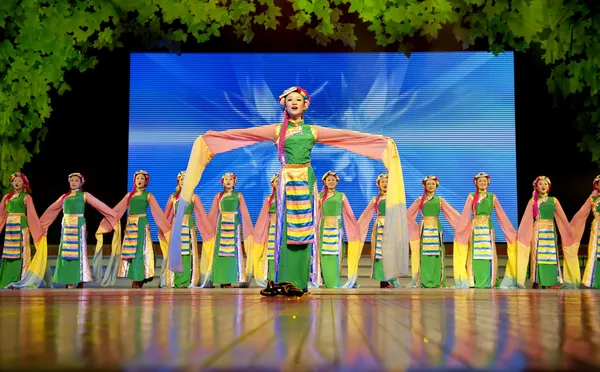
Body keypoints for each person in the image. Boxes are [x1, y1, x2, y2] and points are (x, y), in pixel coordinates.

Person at [169, 86, 409, 294]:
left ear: (305, 105)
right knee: (285, 229)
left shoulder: (313, 131)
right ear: (284, 104)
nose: (294, 103)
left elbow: (346, 137)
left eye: (298, 100)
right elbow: (243, 135)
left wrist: (380, 143)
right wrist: (211, 140)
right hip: (286, 181)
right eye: (290, 99)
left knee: (304, 229)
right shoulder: (276, 130)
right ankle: (285, 279)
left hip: (306, 180)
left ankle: (301, 280)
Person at [40, 173, 118, 288]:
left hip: (79, 225)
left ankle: (80, 278)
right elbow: (51, 211)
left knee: (79, 252)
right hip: (66, 226)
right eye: (72, 180)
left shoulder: (84, 195)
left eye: (77, 180)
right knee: (66, 253)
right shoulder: (64, 197)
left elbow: (100, 205)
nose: (74, 182)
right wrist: (40, 224)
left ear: (81, 183)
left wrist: (113, 215)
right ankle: (69, 279)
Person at [95, 170, 171, 288]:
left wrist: (166, 228)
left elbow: (158, 213)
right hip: (131, 225)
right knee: (132, 253)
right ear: (134, 181)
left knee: (140, 251)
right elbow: (117, 211)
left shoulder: (148, 195)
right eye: (137, 178)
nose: (139, 180)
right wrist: (107, 222)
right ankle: (137, 276)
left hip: (141, 224)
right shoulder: (129, 196)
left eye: (142, 179)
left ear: (146, 182)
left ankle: (138, 278)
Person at [453, 172, 517, 288]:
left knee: (488, 254)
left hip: (488, 228)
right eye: (480, 181)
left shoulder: (492, 197)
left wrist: (510, 230)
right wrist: (462, 229)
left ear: (488, 182)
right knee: (474, 254)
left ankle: (489, 281)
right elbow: (466, 213)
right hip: (475, 227)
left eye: (484, 181)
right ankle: (474, 280)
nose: (482, 183)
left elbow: (501, 214)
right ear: (476, 183)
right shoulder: (472, 196)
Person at [515, 176, 580, 288]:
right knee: (537, 255)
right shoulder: (533, 201)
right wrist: (522, 234)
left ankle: (551, 281)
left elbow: (562, 217)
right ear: (536, 187)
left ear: (549, 186)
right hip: (538, 230)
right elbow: (527, 218)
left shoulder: (553, 200)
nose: (543, 186)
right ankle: (536, 279)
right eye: (540, 184)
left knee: (551, 255)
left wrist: (568, 231)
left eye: (545, 184)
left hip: (550, 230)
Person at [199, 172, 253, 288]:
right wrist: (208, 229)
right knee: (221, 253)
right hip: (222, 226)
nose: (228, 181)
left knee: (233, 253)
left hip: (234, 226)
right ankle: (221, 279)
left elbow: (245, 213)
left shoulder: (239, 195)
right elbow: (213, 213)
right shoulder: (218, 196)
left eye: (231, 179)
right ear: (222, 182)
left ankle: (231, 279)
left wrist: (249, 229)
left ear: (235, 182)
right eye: (226, 179)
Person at [406, 175, 460, 288]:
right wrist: (413, 226)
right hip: (424, 228)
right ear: (424, 186)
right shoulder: (420, 200)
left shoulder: (439, 200)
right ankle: (424, 280)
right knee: (424, 255)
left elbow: (451, 213)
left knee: (437, 254)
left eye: (433, 184)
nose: (431, 186)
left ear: (436, 186)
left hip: (436, 228)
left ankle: (436, 280)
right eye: (428, 184)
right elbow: (408, 215)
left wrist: (463, 223)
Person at [162, 171, 214, 288]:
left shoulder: (193, 197)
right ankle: (175, 280)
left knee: (188, 253)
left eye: (186, 180)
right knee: (176, 253)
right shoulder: (173, 198)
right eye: (181, 180)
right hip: (176, 227)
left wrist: (209, 230)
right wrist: (164, 228)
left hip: (188, 226)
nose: (183, 182)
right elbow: (167, 215)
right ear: (178, 182)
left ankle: (187, 280)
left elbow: (202, 215)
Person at [0, 173, 44, 288]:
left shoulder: (26, 197)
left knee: (21, 252)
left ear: (24, 184)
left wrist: (38, 230)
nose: (17, 182)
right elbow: (1, 215)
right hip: (10, 228)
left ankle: (21, 279)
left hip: (21, 226)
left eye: (19, 181)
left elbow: (32, 215)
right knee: (9, 253)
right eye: (15, 180)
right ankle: (7, 279)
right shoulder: (6, 197)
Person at [317, 171, 359, 288]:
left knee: (335, 253)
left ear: (337, 182)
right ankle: (326, 279)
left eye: (333, 180)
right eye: (328, 180)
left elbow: (349, 212)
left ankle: (335, 281)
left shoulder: (341, 195)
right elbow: (316, 212)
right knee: (324, 253)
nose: (331, 182)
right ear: (324, 182)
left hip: (336, 226)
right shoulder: (320, 196)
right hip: (324, 226)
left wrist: (355, 225)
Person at [570, 175, 600, 288]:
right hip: (597, 228)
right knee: (595, 253)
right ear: (597, 185)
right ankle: (593, 281)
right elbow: (581, 213)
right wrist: (570, 227)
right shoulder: (592, 198)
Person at [253, 174, 279, 287]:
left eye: (280, 181)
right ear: (272, 184)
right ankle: (272, 279)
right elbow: (264, 216)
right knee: (272, 253)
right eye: (276, 182)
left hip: (285, 228)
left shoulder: (289, 198)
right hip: (273, 227)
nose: (278, 183)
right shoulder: (269, 199)